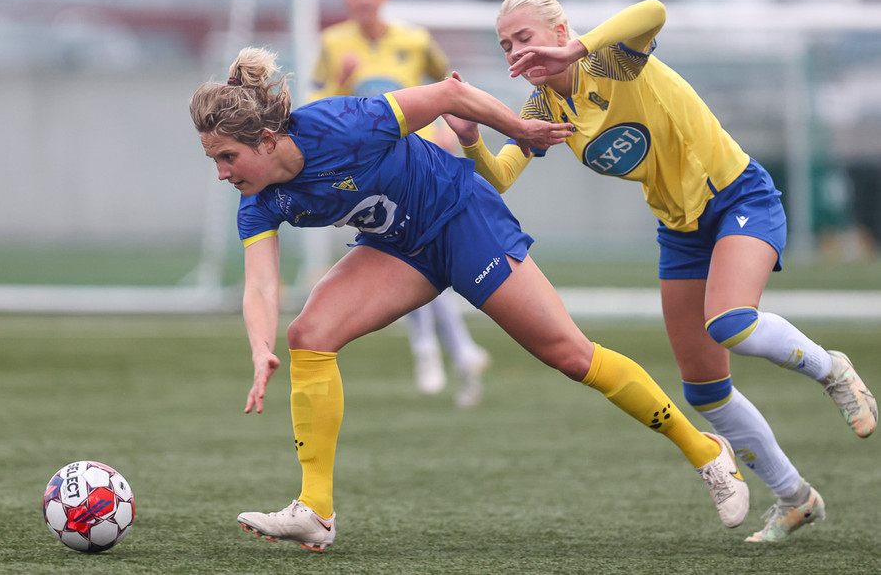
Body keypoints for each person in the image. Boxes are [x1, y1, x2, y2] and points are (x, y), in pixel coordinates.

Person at [189, 46, 749, 552]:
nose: (220, 173)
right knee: (308, 335)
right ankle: (315, 510)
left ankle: (706, 452)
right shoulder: (258, 199)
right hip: (400, 248)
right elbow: (261, 284)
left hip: (462, 220)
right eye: (214, 160)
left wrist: (520, 130)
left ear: (266, 141)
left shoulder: (342, 124)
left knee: (571, 355)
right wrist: (260, 348)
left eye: (227, 157)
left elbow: (449, 94)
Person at [443, 0, 878, 543]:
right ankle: (796, 499)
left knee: (731, 322)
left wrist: (577, 50)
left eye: (524, 38)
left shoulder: (610, 60)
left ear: (560, 33)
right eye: (506, 45)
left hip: (738, 198)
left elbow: (654, 11)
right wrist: (472, 141)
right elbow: (500, 178)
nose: (515, 52)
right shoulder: (543, 108)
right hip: (680, 229)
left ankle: (832, 369)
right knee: (705, 391)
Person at [306, 0, 489, 406]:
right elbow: (314, 109)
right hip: (367, 168)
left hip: (418, 166)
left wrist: (446, 129)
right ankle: (459, 351)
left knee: (410, 254)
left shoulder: (415, 39)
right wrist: (340, 81)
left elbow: (450, 86)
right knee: (413, 256)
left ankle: (433, 351)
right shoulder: (333, 43)